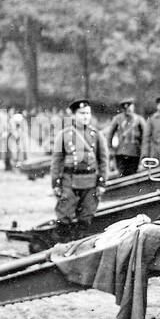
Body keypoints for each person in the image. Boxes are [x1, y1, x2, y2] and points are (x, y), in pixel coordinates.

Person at [50, 99, 110, 242]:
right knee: (64, 216)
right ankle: (62, 247)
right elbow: (56, 162)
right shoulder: (64, 135)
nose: (85, 116)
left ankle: (80, 248)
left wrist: (102, 183)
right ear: (74, 115)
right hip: (69, 180)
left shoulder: (96, 135)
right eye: (82, 113)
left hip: (90, 182)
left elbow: (104, 161)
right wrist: (55, 184)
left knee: (86, 216)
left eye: (88, 113)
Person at [108, 99, 147, 177]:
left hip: (135, 153)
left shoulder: (139, 120)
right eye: (125, 108)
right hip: (120, 153)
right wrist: (110, 149)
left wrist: (144, 153)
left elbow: (145, 138)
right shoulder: (117, 119)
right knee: (120, 175)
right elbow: (109, 134)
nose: (127, 110)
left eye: (129, 107)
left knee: (133, 176)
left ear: (133, 107)